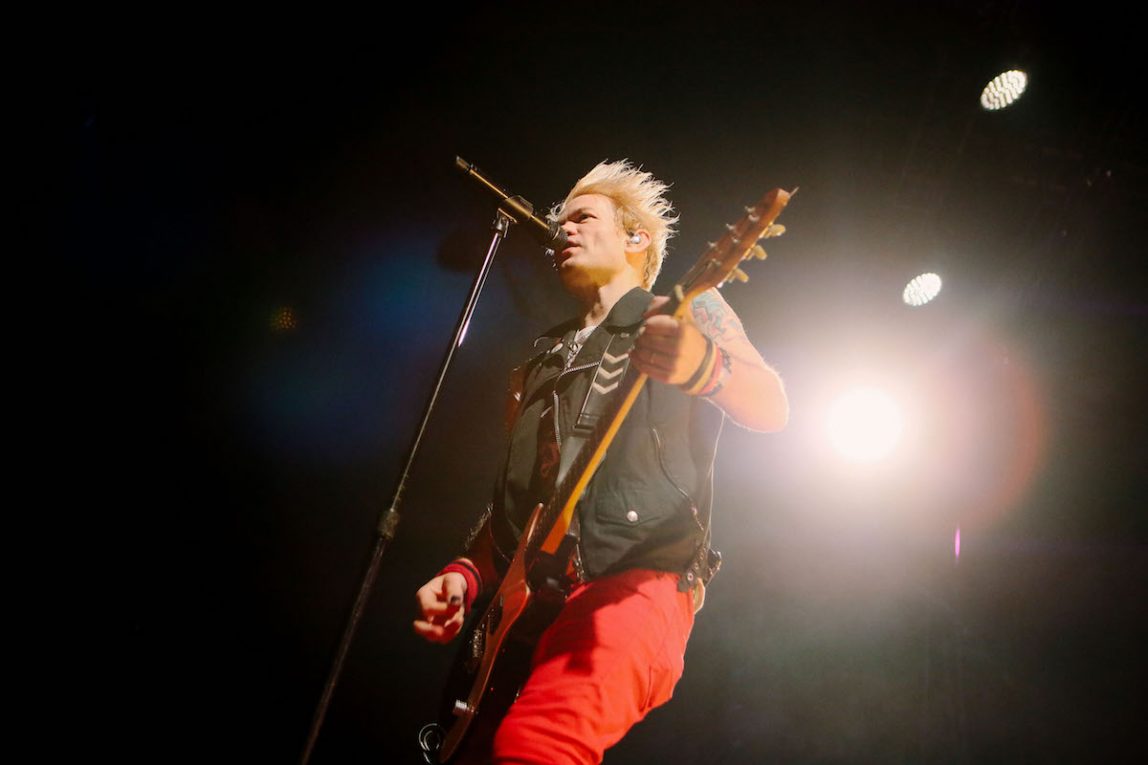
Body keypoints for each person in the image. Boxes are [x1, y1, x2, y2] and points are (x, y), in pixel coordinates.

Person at [414, 160, 788, 764]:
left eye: (583, 217)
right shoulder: (538, 361)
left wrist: (702, 367)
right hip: (526, 609)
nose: (562, 229)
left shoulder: (690, 310)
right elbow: (528, 507)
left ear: (636, 237)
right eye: (560, 221)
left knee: (537, 746)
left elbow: (772, 406)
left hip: (637, 584)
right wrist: (466, 574)